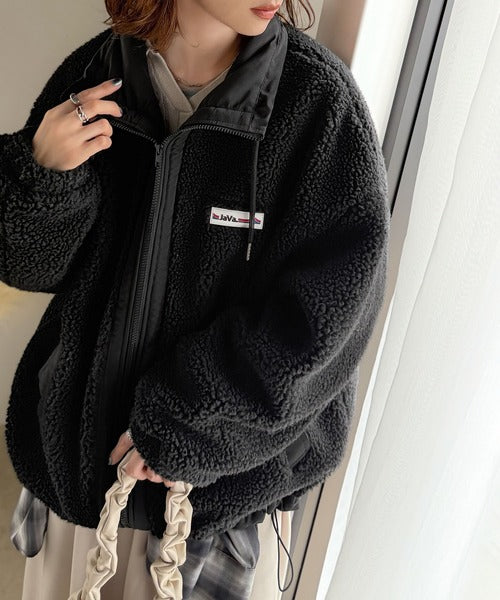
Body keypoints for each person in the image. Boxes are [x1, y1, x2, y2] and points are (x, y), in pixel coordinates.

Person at [1, 0, 390, 598]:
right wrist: (46, 176)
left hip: (211, 510)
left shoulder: (319, 106)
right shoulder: (95, 76)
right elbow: (32, 267)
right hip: (80, 487)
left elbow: (329, 322)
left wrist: (188, 427)